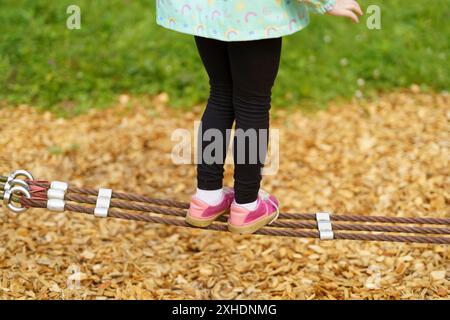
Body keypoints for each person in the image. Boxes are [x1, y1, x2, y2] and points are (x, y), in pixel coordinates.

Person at [156, 0, 363, 234]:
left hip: (206, 9)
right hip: (252, 12)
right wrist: (325, 3)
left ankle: (207, 197)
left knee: (221, 93)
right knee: (252, 104)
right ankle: (246, 204)